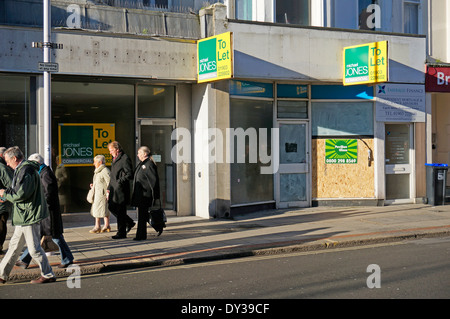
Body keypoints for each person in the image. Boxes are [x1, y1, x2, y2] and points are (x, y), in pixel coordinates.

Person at [0, 147, 56, 284]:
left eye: (7, 161)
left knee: (34, 248)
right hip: (24, 214)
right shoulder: (24, 169)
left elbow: (21, 194)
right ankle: (2, 274)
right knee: (14, 246)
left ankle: (48, 274)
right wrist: (7, 194)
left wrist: (5, 194)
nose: (6, 164)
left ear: (14, 158)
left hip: (28, 215)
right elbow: (20, 191)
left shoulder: (26, 170)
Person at [16, 154, 74, 269]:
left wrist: (40, 203)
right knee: (38, 236)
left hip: (48, 212)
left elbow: (49, 193)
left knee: (55, 236)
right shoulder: (42, 172)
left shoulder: (45, 174)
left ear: (36, 163)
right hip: (45, 212)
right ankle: (24, 260)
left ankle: (67, 259)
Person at [131, 146, 161, 240]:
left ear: (145, 154)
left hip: (145, 195)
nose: (137, 155)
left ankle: (141, 236)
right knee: (143, 216)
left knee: (142, 217)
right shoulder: (142, 163)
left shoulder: (149, 164)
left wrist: (154, 195)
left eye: (139, 153)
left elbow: (153, 181)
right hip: (140, 195)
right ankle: (156, 227)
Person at [107, 141, 135, 239]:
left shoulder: (124, 158)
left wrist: (120, 181)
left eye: (111, 150)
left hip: (121, 190)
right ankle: (129, 222)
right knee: (111, 207)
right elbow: (113, 175)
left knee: (121, 210)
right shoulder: (114, 159)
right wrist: (108, 188)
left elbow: (130, 174)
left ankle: (121, 232)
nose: (110, 152)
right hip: (114, 189)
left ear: (117, 149)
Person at [88, 155, 111, 234]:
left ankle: (97, 226)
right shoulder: (98, 170)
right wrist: (93, 185)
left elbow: (109, 182)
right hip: (98, 193)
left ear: (100, 162)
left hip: (101, 194)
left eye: (95, 162)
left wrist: (108, 193)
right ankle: (106, 225)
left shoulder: (104, 170)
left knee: (98, 210)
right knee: (103, 209)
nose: (94, 164)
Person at [0, 147, 13, 254]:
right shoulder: (2, 168)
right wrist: (4, 197)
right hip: (1, 205)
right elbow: (11, 184)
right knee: (1, 226)